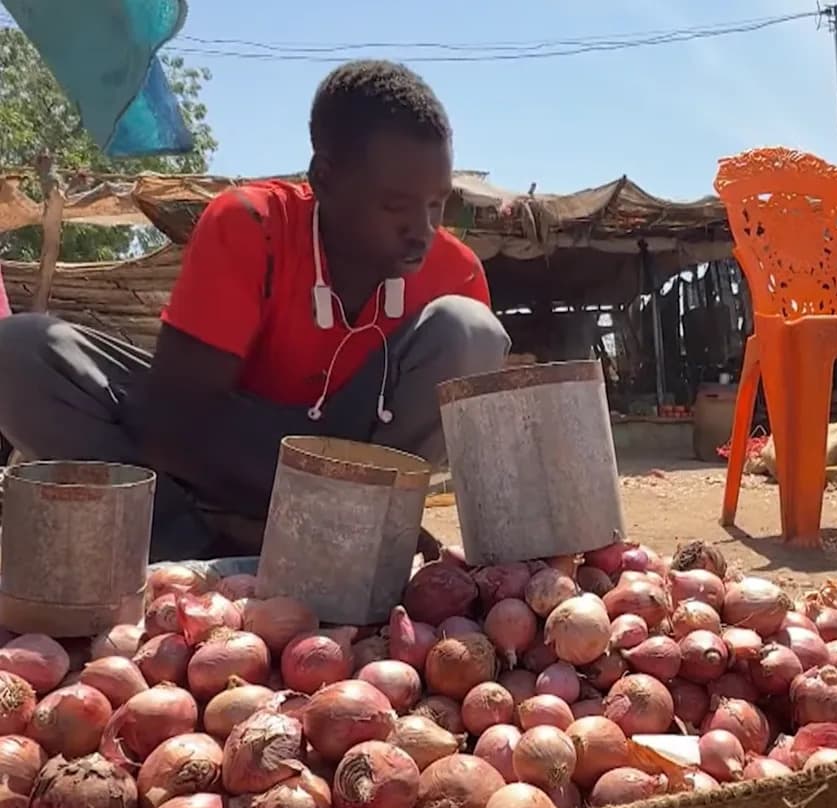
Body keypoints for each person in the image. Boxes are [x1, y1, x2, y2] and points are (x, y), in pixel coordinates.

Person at [0, 60, 511, 560]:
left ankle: (354, 541)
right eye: (396, 206)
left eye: (435, 205)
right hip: (218, 458)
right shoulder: (253, 226)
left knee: (470, 331)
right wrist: (268, 515)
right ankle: (197, 549)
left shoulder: (455, 276)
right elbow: (170, 424)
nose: (421, 229)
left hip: (355, 479)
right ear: (325, 178)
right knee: (17, 354)